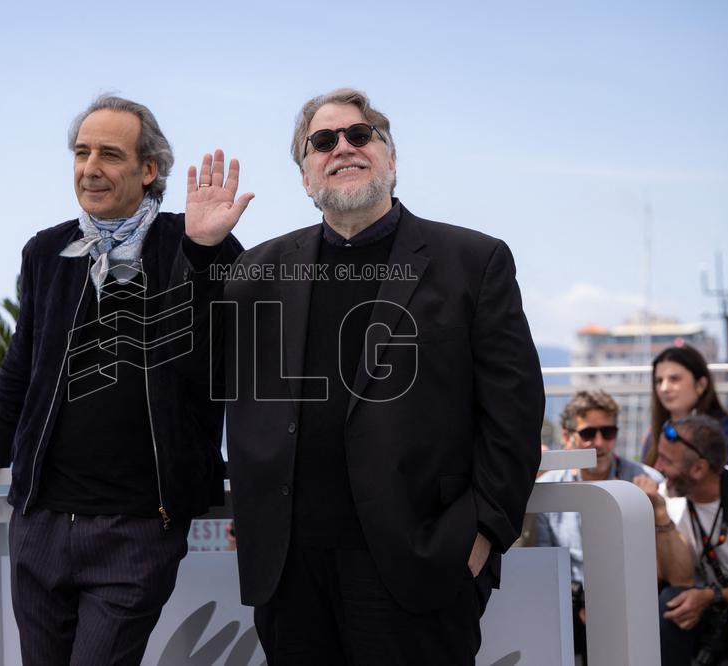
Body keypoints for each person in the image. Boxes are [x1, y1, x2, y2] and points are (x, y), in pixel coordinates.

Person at [192, 88, 545, 664]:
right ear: (306, 177)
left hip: (418, 566)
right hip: (291, 573)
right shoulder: (256, 269)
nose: (343, 148)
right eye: (323, 142)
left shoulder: (473, 262)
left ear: (391, 159)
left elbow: (515, 412)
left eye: (360, 135)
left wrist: (481, 534)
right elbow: (196, 363)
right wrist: (203, 253)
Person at [0, 95, 248, 665]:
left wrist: (205, 253)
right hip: (40, 521)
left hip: (138, 527)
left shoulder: (200, 244)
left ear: (148, 169)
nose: (90, 168)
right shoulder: (46, 250)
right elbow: (23, 360)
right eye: (82, 152)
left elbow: (222, 357)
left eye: (110, 154)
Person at [534, 389, 661, 660]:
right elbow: (544, 566)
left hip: (629, 592)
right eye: (589, 433)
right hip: (567, 597)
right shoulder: (547, 488)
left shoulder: (647, 481)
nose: (599, 443)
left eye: (608, 432)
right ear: (568, 437)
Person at [634, 415, 728, 666]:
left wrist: (712, 596)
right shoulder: (666, 497)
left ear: (698, 468)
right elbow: (679, 580)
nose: (657, 468)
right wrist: (659, 514)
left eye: (666, 460)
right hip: (710, 606)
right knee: (670, 604)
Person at [644, 344, 728, 469]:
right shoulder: (655, 435)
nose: (664, 388)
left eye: (674, 379)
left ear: (701, 385)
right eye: (659, 381)